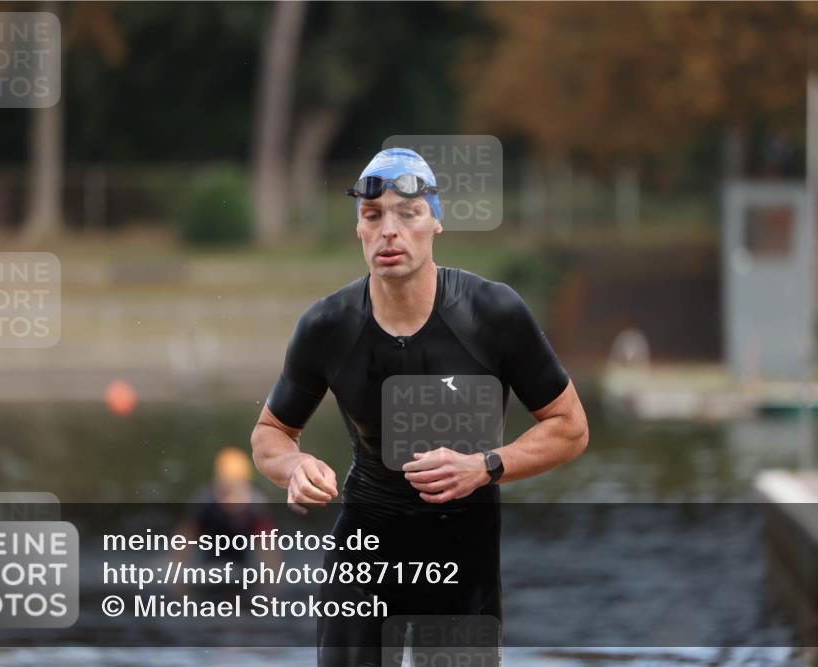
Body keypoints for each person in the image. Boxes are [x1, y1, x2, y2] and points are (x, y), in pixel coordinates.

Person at [251, 147, 589, 666]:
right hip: (364, 549)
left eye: (407, 214)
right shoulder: (327, 325)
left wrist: (485, 465)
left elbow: (570, 428)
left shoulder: (492, 312)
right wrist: (293, 465)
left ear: (435, 221)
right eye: (372, 216)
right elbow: (270, 432)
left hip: (463, 555)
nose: (390, 230)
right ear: (359, 230)